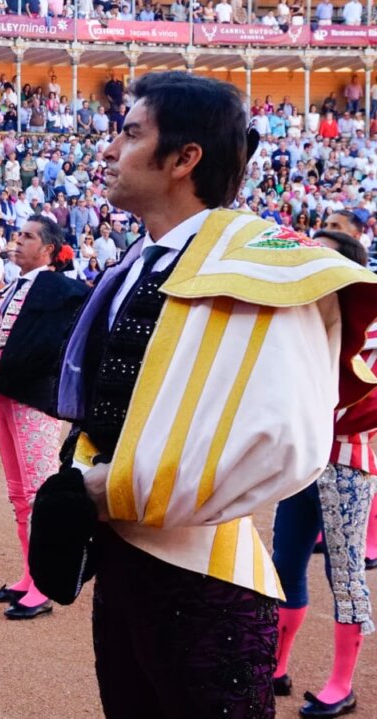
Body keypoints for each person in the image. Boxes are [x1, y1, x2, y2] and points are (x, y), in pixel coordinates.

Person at [43, 72, 377, 718]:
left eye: (130, 133)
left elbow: (289, 440)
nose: (109, 149)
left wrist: (107, 489)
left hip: (208, 582)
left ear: (184, 158)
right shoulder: (133, 264)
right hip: (122, 567)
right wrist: (77, 474)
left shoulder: (268, 269)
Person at [270, 230, 377, 718]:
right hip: (302, 462)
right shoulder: (302, 320)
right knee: (285, 564)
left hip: (345, 464)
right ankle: (277, 666)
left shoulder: (368, 328)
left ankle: (341, 684)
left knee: (345, 572)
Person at [0, 216, 89, 621]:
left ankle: (43, 587)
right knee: (20, 494)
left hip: (35, 400)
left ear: (48, 250)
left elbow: (48, 346)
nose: (17, 241)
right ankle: (29, 576)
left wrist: (1, 368)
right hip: (8, 397)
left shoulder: (58, 289)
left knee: (38, 494)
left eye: (28, 237)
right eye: (18, 235)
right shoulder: (16, 287)